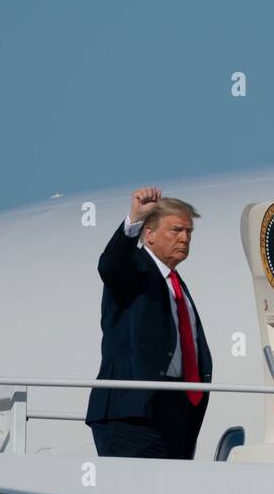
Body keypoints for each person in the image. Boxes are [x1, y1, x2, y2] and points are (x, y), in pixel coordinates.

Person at [85, 186, 213, 459]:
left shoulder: (176, 283)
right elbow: (110, 266)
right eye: (176, 230)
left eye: (189, 232)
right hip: (133, 412)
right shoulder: (135, 269)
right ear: (149, 234)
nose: (185, 238)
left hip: (178, 412)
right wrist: (134, 219)